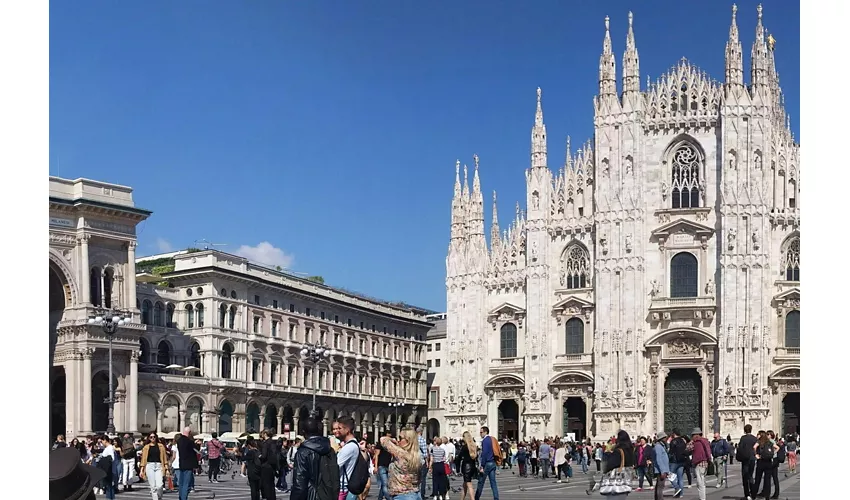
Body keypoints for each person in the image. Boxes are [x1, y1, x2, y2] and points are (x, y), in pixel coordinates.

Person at [289, 417, 336, 500]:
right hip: (328, 495)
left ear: (303, 432)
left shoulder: (303, 453)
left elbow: (299, 484)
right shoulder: (330, 449)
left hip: (310, 496)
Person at [379, 429, 422, 500]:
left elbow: (383, 440)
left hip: (402, 495)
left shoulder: (400, 453)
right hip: (415, 493)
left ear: (408, 440)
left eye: (400, 438)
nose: (398, 440)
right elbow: (419, 478)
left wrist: (393, 440)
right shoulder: (417, 456)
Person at [332, 416, 361, 500]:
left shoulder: (349, 447)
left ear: (347, 429)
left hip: (341, 488)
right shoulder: (353, 444)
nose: (337, 431)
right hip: (344, 487)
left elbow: (335, 466)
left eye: (339, 428)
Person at [602, 430, 635, 499]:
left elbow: (611, 464)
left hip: (617, 481)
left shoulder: (618, 451)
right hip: (626, 478)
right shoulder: (630, 450)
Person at [140, 432, 170, 500]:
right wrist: (141, 470)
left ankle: (159, 497)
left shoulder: (161, 446)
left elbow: (164, 459)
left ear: (156, 437)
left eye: (154, 437)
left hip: (159, 466)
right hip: (149, 466)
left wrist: (167, 469)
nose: (153, 438)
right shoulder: (146, 447)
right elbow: (143, 460)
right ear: (149, 438)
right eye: (151, 437)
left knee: (160, 485)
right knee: (153, 487)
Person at [474, 426, 500, 500]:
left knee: (481, 482)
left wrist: (482, 466)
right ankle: (496, 498)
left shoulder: (485, 441)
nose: (480, 434)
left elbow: (484, 454)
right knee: (493, 482)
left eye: (481, 432)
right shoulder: (492, 439)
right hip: (493, 462)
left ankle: (476, 497)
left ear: (485, 432)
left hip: (487, 464)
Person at [752, 431, 779, 500]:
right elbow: (777, 448)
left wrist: (756, 455)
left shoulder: (759, 441)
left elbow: (754, 447)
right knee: (768, 481)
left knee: (757, 480)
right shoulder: (769, 442)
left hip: (761, 462)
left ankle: (753, 496)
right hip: (768, 463)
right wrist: (772, 453)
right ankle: (767, 497)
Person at [174, 427, 199, 500]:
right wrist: (197, 444)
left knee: (181, 483)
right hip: (188, 464)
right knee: (186, 484)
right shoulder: (189, 441)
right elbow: (196, 450)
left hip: (181, 463)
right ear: (189, 432)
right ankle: (184, 498)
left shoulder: (179, 441)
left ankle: (181, 497)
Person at [686, 428, 711, 500]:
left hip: (699, 463)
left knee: (700, 483)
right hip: (705, 462)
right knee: (702, 480)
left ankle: (702, 498)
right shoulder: (705, 441)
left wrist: (690, 442)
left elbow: (687, 449)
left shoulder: (695, 442)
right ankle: (703, 497)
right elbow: (708, 450)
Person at [736, 424, 758, 500]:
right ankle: (753, 493)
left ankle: (747, 494)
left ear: (745, 430)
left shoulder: (743, 438)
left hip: (745, 459)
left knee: (745, 476)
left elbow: (740, 448)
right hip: (752, 459)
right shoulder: (754, 438)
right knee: (751, 476)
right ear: (751, 429)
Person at [456, 431, 478, 500]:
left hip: (466, 467)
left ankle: (472, 499)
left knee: (469, 485)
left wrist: (457, 468)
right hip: (472, 466)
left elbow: (459, 458)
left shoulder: (465, 447)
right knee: (465, 485)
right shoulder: (474, 446)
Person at [259, 430, 279, 500]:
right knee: (271, 484)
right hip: (272, 466)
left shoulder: (266, 443)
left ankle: (268, 498)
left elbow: (264, 456)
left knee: (266, 484)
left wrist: (259, 456)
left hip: (265, 466)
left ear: (265, 434)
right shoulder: (273, 442)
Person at [667, 430, 687, 498]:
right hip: (682, 461)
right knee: (680, 478)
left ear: (674, 434)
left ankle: (676, 487)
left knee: (669, 475)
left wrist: (668, 442)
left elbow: (671, 452)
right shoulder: (683, 441)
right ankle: (681, 494)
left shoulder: (674, 441)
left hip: (674, 461)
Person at [651, 432, 671, 500]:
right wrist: (662, 471)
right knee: (660, 486)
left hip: (663, 469)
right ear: (661, 438)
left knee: (659, 486)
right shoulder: (658, 447)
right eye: (665, 437)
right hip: (661, 469)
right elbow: (658, 459)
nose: (666, 439)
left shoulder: (661, 446)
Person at [375, 431, 393, 500]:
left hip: (388, 466)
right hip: (381, 465)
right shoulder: (380, 444)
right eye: (387, 437)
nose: (388, 438)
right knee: (385, 484)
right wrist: (376, 466)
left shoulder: (390, 445)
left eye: (390, 437)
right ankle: (389, 498)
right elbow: (376, 455)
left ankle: (380, 498)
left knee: (384, 484)